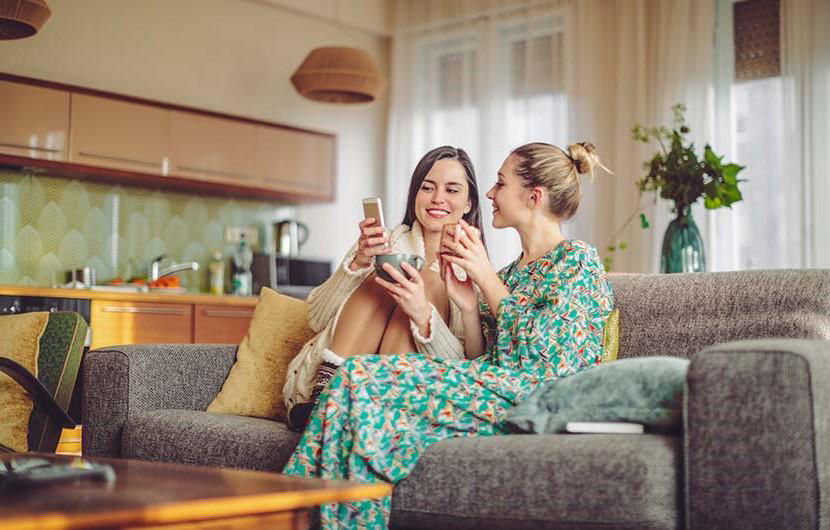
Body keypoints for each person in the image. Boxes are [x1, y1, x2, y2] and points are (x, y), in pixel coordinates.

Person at [282, 141, 615, 529]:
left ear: (534, 196)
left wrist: (485, 282)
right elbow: (481, 360)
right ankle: (289, 514)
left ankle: (287, 515)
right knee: (356, 377)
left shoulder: (576, 261)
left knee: (361, 378)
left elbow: (545, 359)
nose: (490, 193)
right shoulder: (511, 273)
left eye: (500, 184)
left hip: (537, 399)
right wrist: (470, 308)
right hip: (493, 389)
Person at [284, 146, 487, 429]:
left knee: (423, 281)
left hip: (404, 393)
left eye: (452, 190)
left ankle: (372, 401)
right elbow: (315, 318)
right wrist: (358, 263)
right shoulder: (382, 244)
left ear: (468, 203)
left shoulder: (477, 272)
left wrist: (423, 316)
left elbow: (469, 368)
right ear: (415, 194)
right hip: (328, 385)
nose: (438, 198)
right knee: (391, 271)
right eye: (427, 187)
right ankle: (326, 400)